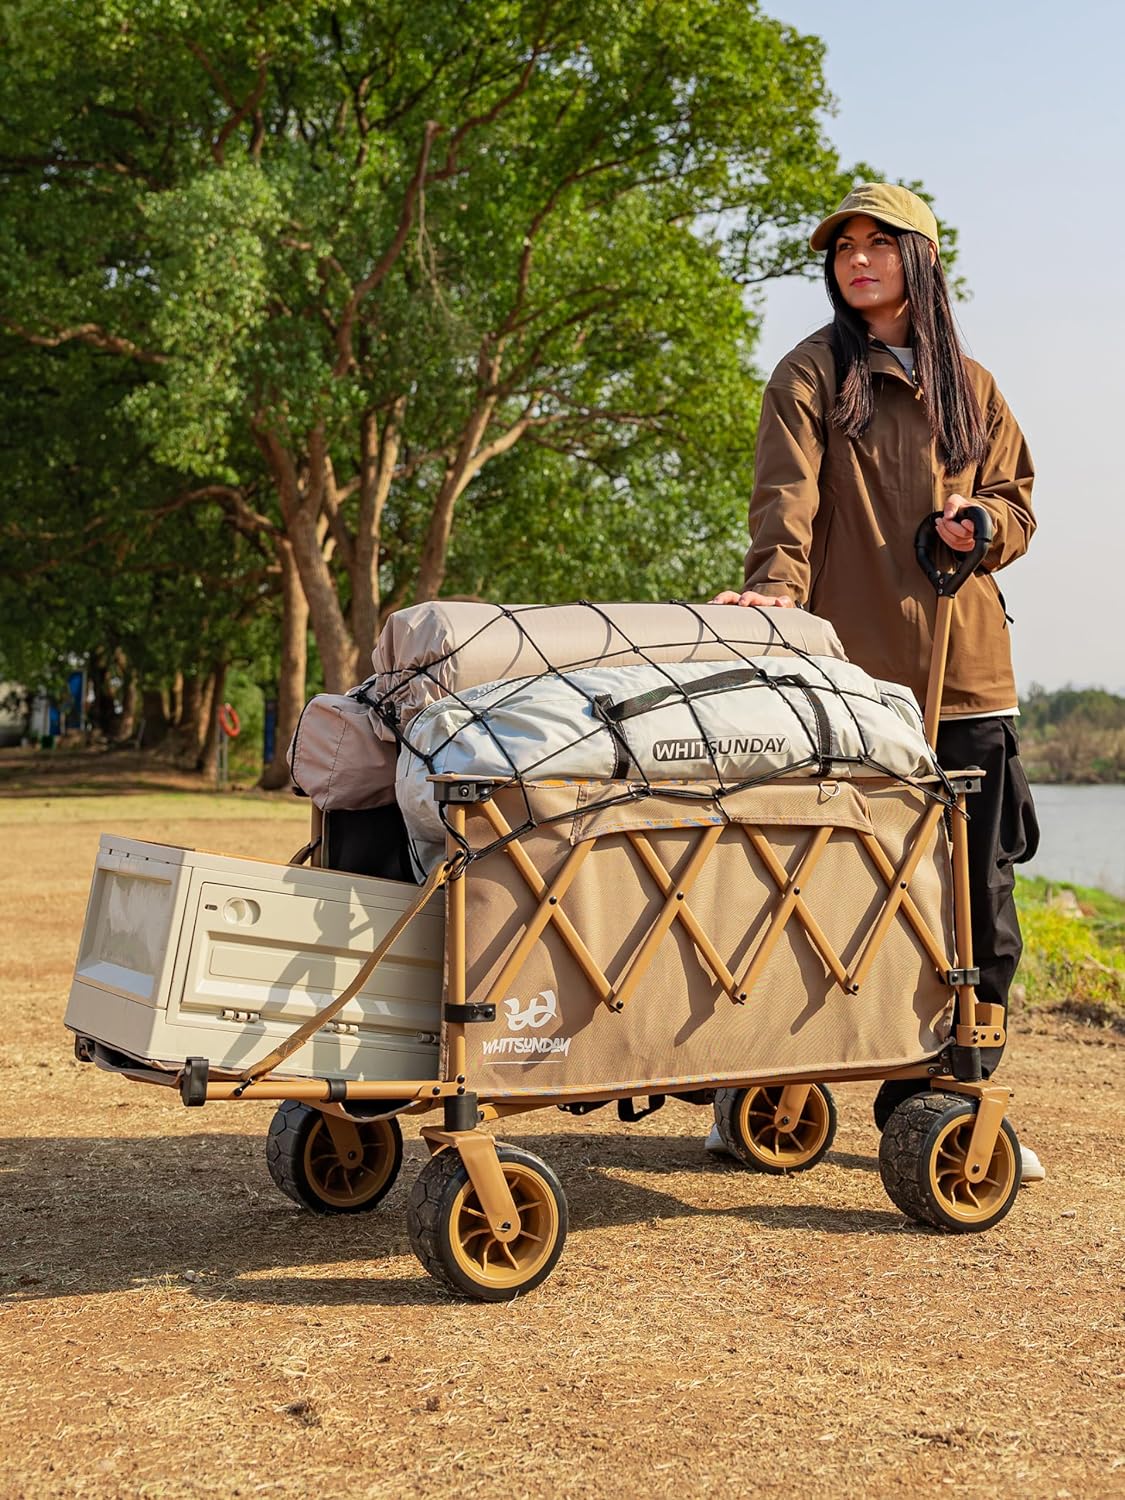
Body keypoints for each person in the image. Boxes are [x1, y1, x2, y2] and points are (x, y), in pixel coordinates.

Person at [706, 182, 1044, 1180]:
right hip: (849, 686)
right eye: (844, 246)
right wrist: (774, 591)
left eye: (878, 244)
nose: (858, 259)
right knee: (806, 886)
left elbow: (1016, 499)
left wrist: (979, 527)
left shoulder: (972, 386)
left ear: (919, 260)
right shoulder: (809, 374)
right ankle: (759, 1088)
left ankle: (950, 1101)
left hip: (969, 676)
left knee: (977, 903)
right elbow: (786, 500)